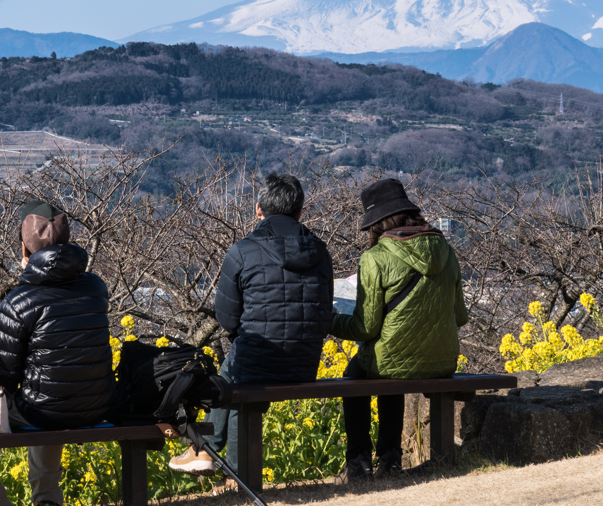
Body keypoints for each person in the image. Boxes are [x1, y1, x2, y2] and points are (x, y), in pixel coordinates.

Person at [0, 199, 115, 506]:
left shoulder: (19, 301)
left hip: (46, 409)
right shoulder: (95, 287)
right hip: (97, 404)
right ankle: (48, 499)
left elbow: (7, 379)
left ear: (23, 249)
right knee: (51, 395)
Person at [169, 173, 334, 484]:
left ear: (258, 209)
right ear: (300, 212)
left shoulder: (243, 251)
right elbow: (325, 316)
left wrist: (247, 340)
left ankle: (209, 452)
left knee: (227, 378)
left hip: (256, 362)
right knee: (234, 375)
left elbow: (227, 317)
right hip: (305, 366)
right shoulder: (320, 252)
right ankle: (223, 467)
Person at [331, 178, 468, 481]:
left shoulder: (375, 257)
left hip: (390, 361)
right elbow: (460, 316)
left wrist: (331, 319)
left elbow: (365, 328)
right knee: (390, 365)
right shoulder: (446, 250)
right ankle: (391, 460)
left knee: (359, 374)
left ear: (378, 223)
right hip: (443, 362)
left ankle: (358, 462)